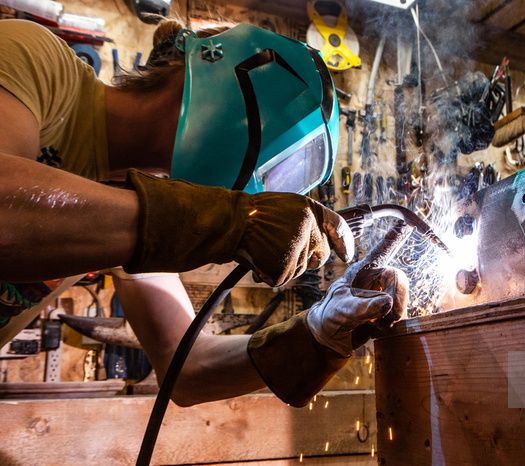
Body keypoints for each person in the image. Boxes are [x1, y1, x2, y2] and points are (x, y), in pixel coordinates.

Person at [0, 18, 408, 407]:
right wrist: (233, 223)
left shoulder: (140, 211)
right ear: (222, 66)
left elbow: (188, 367)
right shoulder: (34, 60)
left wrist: (318, 333)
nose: (253, 189)